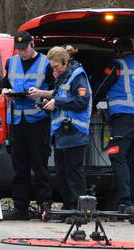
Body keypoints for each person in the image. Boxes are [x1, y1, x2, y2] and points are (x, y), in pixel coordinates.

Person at [30, 46, 91, 212]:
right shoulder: (63, 77)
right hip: (61, 134)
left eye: (56, 67)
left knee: (74, 174)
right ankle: (67, 207)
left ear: (65, 62)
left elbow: (81, 102)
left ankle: (78, 210)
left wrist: (57, 103)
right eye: (52, 68)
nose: (54, 70)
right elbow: (57, 95)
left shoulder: (78, 76)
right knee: (62, 174)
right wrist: (42, 96)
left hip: (75, 132)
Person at [1, 30, 55, 220]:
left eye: (24, 49)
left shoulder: (45, 62)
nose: (22, 53)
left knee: (40, 165)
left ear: (32, 44)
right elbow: (5, 83)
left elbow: (56, 89)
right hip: (17, 120)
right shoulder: (12, 62)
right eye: (19, 49)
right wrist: (6, 91)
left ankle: (44, 206)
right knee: (19, 167)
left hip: (38, 120)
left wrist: (40, 93)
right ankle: (20, 208)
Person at [99, 36, 134, 217]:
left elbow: (102, 86)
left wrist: (91, 102)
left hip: (123, 117)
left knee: (118, 156)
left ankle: (125, 203)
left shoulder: (116, 64)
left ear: (118, 51)